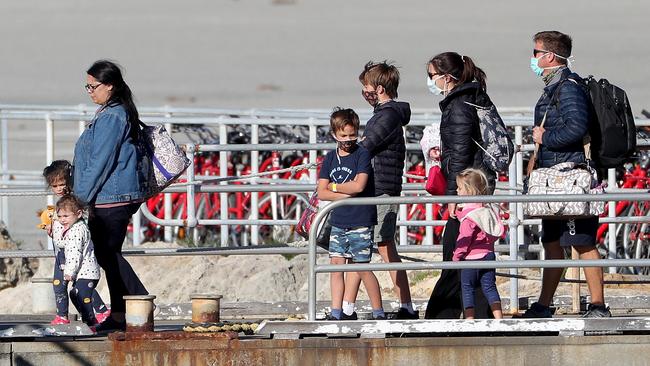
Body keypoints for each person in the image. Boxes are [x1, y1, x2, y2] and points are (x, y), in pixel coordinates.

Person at [523, 31, 610, 318]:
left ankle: (598, 305)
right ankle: (544, 304)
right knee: (551, 243)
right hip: (553, 179)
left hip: (569, 177)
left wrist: (545, 137)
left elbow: (576, 127)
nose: (532, 58)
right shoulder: (554, 87)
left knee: (582, 243)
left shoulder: (568, 87)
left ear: (549, 56)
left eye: (536, 53)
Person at [73, 60, 153, 332]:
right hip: (110, 195)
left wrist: (78, 198)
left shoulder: (111, 116)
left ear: (110, 86)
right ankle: (120, 317)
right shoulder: (112, 112)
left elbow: (101, 161)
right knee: (109, 256)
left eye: (93, 86)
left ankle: (140, 301)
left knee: (107, 255)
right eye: (87, 86)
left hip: (111, 196)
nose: (89, 91)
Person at [340, 60, 417, 320]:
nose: (364, 92)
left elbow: (367, 145)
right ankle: (346, 308)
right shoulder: (384, 115)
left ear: (380, 88)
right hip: (374, 188)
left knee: (383, 246)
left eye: (367, 87)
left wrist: (342, 152)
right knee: (361, 246)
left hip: (382, 188)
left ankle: (406, 307)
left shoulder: (387, 115)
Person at [424, 52, 496, 319]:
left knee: (457, 251)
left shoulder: (459, 105)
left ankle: (441, 315)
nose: (430, 81)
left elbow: (461, 152)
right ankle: (479, 313)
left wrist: (454, 194)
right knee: (475, 251)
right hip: (474, 186)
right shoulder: (467, 99)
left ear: (446, 76)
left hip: (468, 189)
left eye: (432, 76)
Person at [317, 107, 385, 321]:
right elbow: (321, 192)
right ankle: (336, 312)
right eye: (343, 135)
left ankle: (378, 312)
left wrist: (335, 188)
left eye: (352, 135)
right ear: (334, 135)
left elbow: (359, 186)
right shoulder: (329, 158)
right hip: (339, 220)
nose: (348, 139)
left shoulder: (362, 154)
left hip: (361, 220)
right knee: (336, 268)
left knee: (361, 267)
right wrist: (343, 192)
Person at [42, 160, 110, 325]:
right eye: (54, 186)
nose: (59, 189)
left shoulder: (76, 202)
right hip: (61, 252)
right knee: (59, 284)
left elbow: (79, 224)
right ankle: (62, 315)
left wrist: (58, 223)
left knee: (81, 283)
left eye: (62, 184)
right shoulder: (61, 206)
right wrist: (50, 226)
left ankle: (99, 312)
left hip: (74, 250)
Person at [452, 169, 504, 320]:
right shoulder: (486, 210)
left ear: (469, 191)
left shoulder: (469, 218)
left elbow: (465, 239)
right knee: (489, 287)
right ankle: (499, 318)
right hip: (488, 255)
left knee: (467, 288)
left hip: (471, 259)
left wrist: (457, 256)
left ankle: (469, 319)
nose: (457, 190)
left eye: (460, 188)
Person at [52, 194, 102, 327]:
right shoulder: (73, 227)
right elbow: (62, 243)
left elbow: (75, 253)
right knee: (74, 294)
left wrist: (69, 272)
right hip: (83, 272)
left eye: (66, 216)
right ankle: (89, 320)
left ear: (78, 214)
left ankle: (91, 323)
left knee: (82, 296)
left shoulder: (77, 231)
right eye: (60, 216)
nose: (62, 220)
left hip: (87, 272)